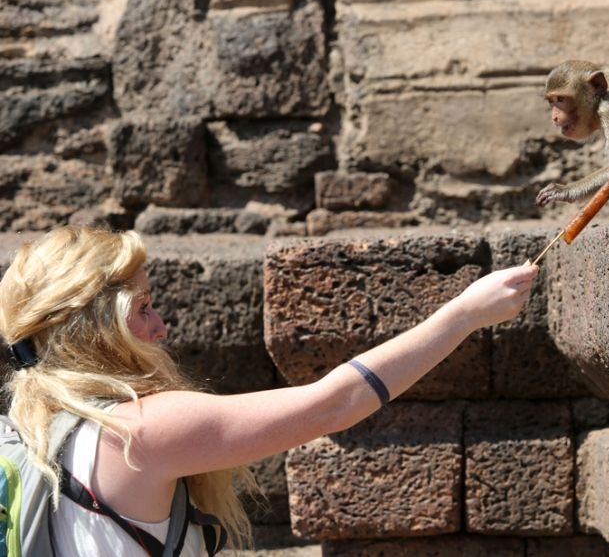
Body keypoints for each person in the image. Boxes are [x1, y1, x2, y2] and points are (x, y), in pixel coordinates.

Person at [0, 225, 539, 555]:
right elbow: (335, 404)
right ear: (96, 327)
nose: (161, 326)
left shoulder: (31, 430)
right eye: (142, 308)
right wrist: (466, 313)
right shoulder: (137, 431)